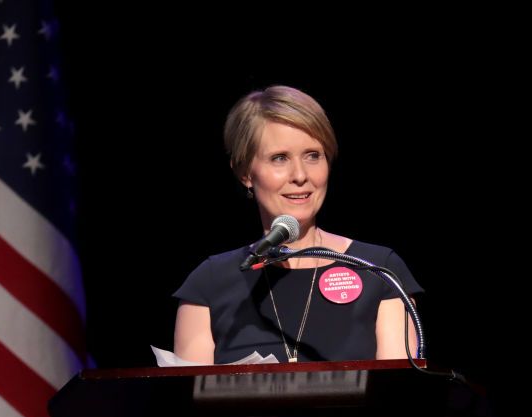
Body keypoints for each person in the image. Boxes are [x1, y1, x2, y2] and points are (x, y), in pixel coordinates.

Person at [173, 85, 423, 364]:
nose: (301, 175)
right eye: (280, 158)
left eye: (313, 155)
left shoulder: (378, 270)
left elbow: (397, 395)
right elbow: (190, 400)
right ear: (245, 172)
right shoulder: (210, 282)